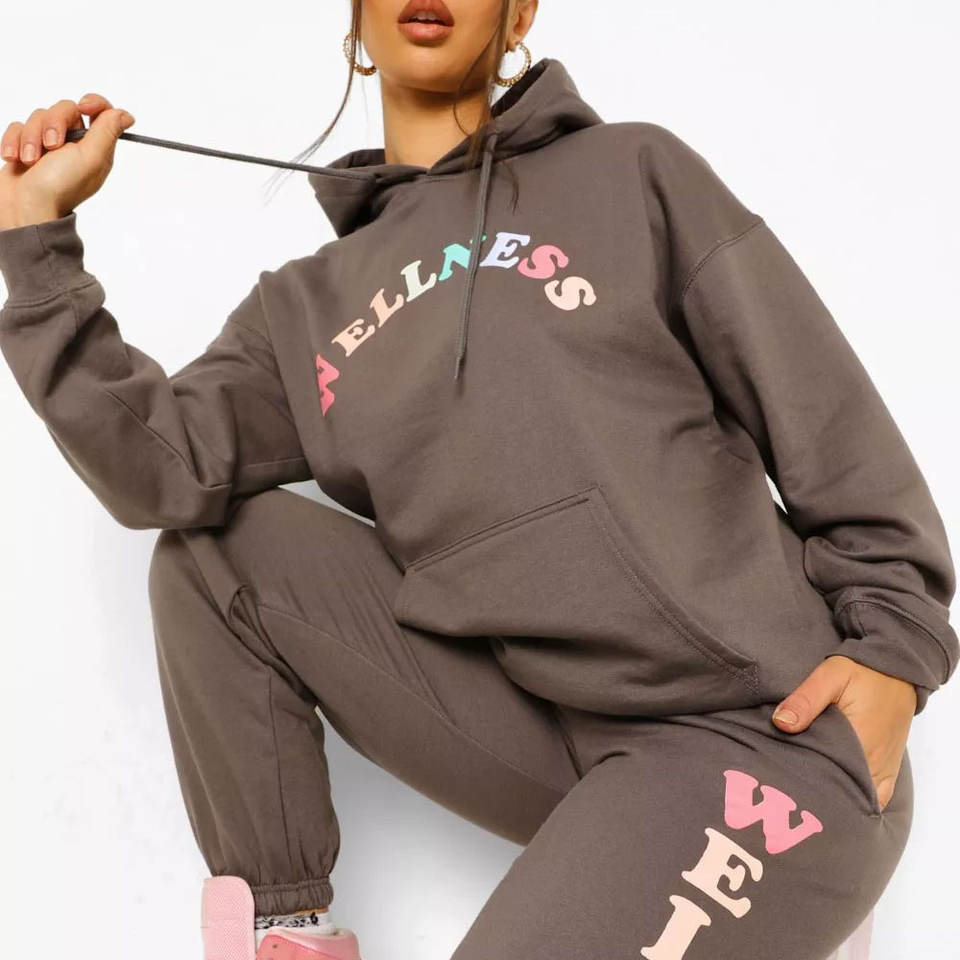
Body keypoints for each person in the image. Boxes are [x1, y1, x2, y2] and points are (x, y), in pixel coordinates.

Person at [0, 2, 955, 958]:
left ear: (518, 12)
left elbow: (822, 414)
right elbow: (157, 470)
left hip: (759, 731)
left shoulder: (631, 172)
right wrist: (35, 244)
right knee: (216, 555)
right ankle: (284, 934)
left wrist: (894, 650)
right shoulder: (300, 309)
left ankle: (768, 889)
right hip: (550, 736)